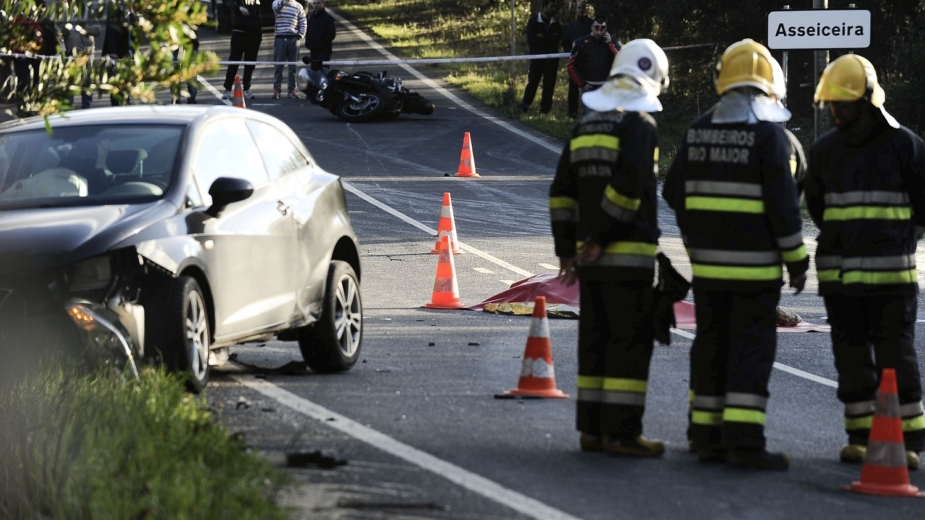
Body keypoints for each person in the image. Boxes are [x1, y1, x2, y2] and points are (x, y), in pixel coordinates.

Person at [662, 39, 808, 471]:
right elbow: (784, 206)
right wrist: (797, 262)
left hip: (708, 269)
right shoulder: (770, 135)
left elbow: (673, 191)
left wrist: (698, 233)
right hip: (755, 272)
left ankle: (704, 437)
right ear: (770, 87)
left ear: (722, 82)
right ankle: (744, 443)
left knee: (710, 346)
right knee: (749, 352)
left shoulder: (698, 129)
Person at [549, 39, 670, 457]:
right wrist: (598, 238)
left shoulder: (585, 126)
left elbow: (561, 192)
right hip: (628, 257)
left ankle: (592, 430)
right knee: (629, 345)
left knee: (595, 340)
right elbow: (629, 188)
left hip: (589, 260)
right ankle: (623, 434)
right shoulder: (640, 125)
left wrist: (570, 248)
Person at [806, 54, 925, 471]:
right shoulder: (823, 152)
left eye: (843, 103)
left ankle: (907, 440)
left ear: (868, 102)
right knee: (851, 358)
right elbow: (818, 211)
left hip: (890, 279)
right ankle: (859, 437)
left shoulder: (906, 146)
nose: (835, 111)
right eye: (832, 104)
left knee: (897, 358)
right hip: (841, 281)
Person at [566, 16, 618, 116]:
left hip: (606, 88)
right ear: (592, 27)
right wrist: (582, 84)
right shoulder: (581, 43)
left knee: (608, 122)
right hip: (589, 88)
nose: (599, 31)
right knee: (590, 121)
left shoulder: (612, 43)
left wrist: (610, 45)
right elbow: (570, 66)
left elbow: (621, 60)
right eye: (597, 28)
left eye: (602, 28)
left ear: (605, 29)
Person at [56, 0, 102, 109]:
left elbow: (98, 30)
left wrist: (85, 29)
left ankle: (86, 106)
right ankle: (68, 106)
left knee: (87, 81)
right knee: (69, 81)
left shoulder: (88, 12)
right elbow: (57, 33)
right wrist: (63, 32)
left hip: (86, 52)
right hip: (69, 54)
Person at [520, 0, 561, 114]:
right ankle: (525, 107)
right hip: (537, 59)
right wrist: (548, 38)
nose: (553, 9)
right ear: (544, 7)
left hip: (552, 60)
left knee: (549, 85)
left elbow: (557, 39)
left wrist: (543, 37)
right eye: (551, 6)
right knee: (533, 83)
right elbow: (532, 40)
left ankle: (545, 111)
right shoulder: (533, 22)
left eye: (554, 6)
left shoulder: (556, 23)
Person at [222, 0, 262, 101]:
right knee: (234, 62)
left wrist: (259, 35)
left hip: (254, 33)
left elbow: (258, 14)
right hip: (239, 32)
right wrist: (239, 7)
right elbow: (228, 3)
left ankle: (247, 89)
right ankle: (227, 89)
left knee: (250, 64)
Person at [561, 1, 593, 118]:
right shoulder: (572, 26)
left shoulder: (592, 25)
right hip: (575, 63)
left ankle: (589, 113)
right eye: (579, 8)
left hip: (588, 63)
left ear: (587, 10)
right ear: (576, 9)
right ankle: (572, 113)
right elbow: (565, 42)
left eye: (584, 8)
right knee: (573, 88)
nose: (582, 10)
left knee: (589, 88)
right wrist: (571, 53)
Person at [271, 0, 306, 99]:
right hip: (280, 38)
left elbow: (303, 21)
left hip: (293, 38)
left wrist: (300, 35)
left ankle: (291, 90)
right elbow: (275, 8)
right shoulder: (277, 3)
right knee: (278, 66)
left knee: (293, 67)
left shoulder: (298, 6)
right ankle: (276, 89)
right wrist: (283, 3)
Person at [101, 1, 134, 106]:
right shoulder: (114, 13)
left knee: (127, 78)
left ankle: (126, 99)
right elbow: (110, 34)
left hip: (129, 52)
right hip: (117, 52)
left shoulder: (131, 15)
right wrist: (113, 52)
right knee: (115, 79)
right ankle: (115, 102)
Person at [304, 0, 335, 71]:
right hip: (314, 51)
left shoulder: (328, 18)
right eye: (314, 3)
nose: (316, 5)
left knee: (324, 72)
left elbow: (331, 34)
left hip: (324, 51)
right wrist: (308, 43)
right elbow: (309, 32)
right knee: (314, 73)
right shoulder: (312, 18)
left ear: (323, 4)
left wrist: (321, 44)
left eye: (318, 3)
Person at [171, 27, 199, 104]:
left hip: (187, 45)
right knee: (178, 73)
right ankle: (184, 98)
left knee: (184, 73)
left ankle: (179, 98)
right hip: (182, 45)